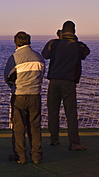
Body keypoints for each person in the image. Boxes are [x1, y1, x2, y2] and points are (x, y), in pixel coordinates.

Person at [42, 20, 90, 151]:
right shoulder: (78, 46)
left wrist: (59, 39)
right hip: (69, 82)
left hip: (54, 81)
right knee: (70, 113)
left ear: (62, 31)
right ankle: (74, 142)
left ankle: (54, 139)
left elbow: (45, 54)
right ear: (74, 31)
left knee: (52, 110)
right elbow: (86, 52)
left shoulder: (54, 43)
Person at [4, 32, 45, 164]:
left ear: (16, 42)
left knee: (19, 127)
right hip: (35, 96)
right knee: (35, 127)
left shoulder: (15, 57)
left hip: (19, 95)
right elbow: (41, 74)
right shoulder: (39, 57)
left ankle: (20, 156)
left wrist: (13, 87)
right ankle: (36, 156)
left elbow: (7, 76)